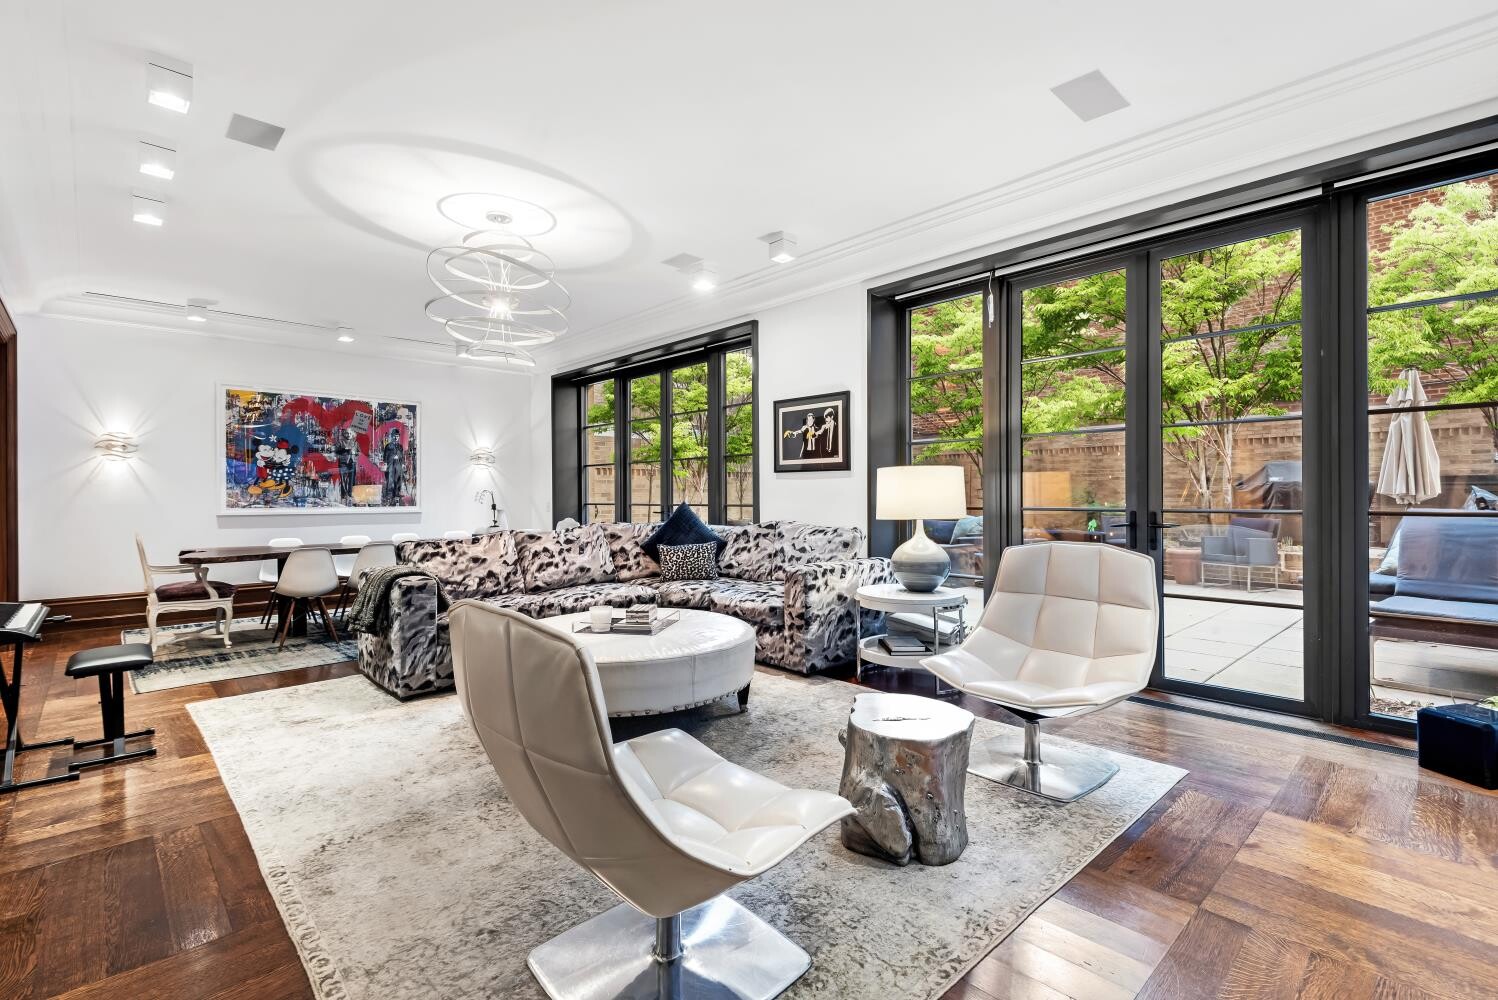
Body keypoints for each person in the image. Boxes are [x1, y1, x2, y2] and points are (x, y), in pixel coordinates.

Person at [380, 429, 407, 506]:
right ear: (392, 436)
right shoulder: (388, 446)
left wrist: (402, 464)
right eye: (395, 436)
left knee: (398, 479)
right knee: (390, 480)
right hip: (390, 464)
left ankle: (397, 495)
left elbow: (402, 456)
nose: (396, 437)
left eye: (397, 436)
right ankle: (389, 496)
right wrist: (387, 463)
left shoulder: (400, 446)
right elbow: (385, 457)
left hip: (398, 464)